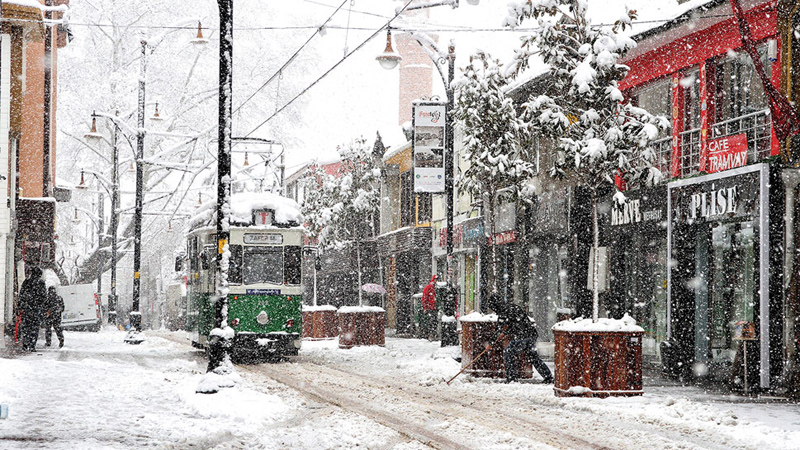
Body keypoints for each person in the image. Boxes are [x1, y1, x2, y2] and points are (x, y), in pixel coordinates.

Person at [484, 293, 553, 384]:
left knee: (508, 352)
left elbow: (499, 329)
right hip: (531, 334)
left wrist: (490, 343)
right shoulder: (512, 307)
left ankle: (511, 378)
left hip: (522, 336)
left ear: (495, 306)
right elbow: (515, 323)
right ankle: (548, 377)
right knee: (533, 356)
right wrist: (505, 333)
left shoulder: (504, 312)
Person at [18, 266, 46, 352]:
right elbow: (44, 297)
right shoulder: (41, 283)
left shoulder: (26, 282)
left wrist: (20, 306)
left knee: (26, 327)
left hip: (27, 309)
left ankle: (25, 344)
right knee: (35, 328)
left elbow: (21, 295)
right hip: (36, 309)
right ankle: (32, 345)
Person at [421, 275, 438, 340]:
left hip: (432, 307)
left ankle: (432, 335)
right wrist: (425, 307)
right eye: (435, 280)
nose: (436, 281)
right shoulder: (429, 288)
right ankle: (431, 335)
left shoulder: (433, 288)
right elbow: (424, 298)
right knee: (431, 322)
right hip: (430, 308)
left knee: (433, 322)